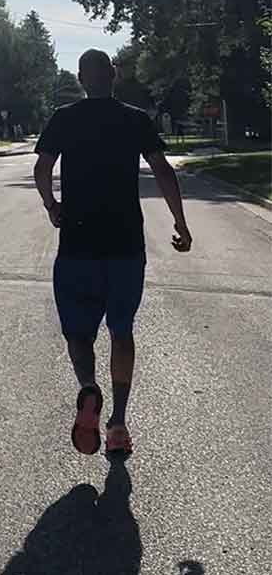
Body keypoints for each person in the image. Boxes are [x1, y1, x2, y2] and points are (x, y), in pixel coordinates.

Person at [34, 49, 192, 457]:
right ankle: (118, 423)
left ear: (82, 78)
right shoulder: (135, 119)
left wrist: (53, 205)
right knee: (121, 332)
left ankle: (88, 387)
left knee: (78, 333)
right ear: (114, 75)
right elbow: (162, 170)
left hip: (77, 246)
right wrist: (180, 222)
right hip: (125, 245)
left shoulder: (64, 118)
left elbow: (42, 167)